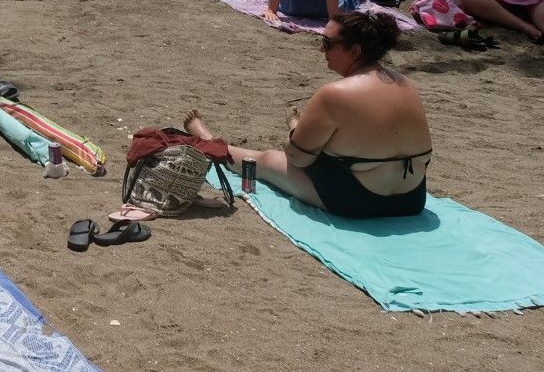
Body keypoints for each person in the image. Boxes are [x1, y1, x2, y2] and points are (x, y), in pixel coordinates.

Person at [184, 12, 430, 219]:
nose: (322, 49)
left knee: (269, 160)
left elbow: (298, 158)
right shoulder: (407, 84)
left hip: (360, 202)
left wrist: (296, 131)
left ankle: (209, 140)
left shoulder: (335, 94)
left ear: (355, 52)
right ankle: (298, 126)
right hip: (412, 199)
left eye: (327, 43)